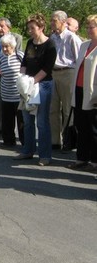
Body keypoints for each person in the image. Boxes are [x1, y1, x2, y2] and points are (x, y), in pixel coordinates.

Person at [15, 13, 56, 166]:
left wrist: (32, 82)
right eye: (29, 28)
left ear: (41, 28)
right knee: (27, 119)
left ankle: (45, 155)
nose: (30, 31)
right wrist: (22, 79)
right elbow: (25, 61)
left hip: (42, 85)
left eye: (33, 28)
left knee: (42, 121)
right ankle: (27, 150)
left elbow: (47, 68)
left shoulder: (50, 45)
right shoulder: (30, 43)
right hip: (28, 85)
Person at [67, 14, 97, 171]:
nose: (89, 29)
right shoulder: (84, 45)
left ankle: (95, 160)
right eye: (88, 26)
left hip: (94, 93)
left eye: (92, 27)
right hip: (79, 90)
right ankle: (81, 158)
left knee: (94, 128)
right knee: (81, 125)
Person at [49, 11, 82, 151]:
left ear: (63, 21)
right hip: (53, 73)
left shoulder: (72, 38)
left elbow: (79, 59)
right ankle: (55, 141)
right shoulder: (52, 37)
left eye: (54, 20)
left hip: (68, 73)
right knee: (53, 109)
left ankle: (68, 141)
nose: (51, 22)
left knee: (68, 109)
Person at [0, 18, 23, 135]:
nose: (0, 28)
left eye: (2, 26)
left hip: (13, 78)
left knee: (15, 107)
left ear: (8, 27)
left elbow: (19, 56)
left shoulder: (17, 38)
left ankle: (14, 132)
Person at [0, 34, 25, 148]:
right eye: (2, 46)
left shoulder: (20, 55)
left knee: (21, 120)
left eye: (7, 46)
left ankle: (25, 142)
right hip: (5, 93)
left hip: (18, 94)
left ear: (13, 46)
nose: (4, 49)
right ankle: (8, 141)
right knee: (7, 120)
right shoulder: (1, 57)